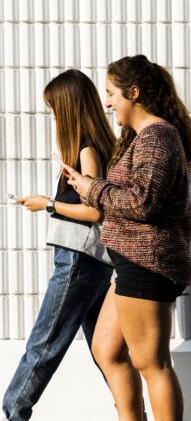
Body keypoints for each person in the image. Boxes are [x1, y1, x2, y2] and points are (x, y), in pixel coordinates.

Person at [63, 55, 191, 421]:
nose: (107, 102)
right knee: (106, 350)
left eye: (111, 93)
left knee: (152, 363)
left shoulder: (158, 137)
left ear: (134, 93)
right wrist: (86, 185)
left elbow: (142, 203)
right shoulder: (141, 137)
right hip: (130, 262)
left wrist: (91, 188)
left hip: (149, 263)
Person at [3, 69, 116, 421]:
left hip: (78, 262)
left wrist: (47, 204)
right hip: (93, 262)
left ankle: (13, 412)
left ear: (68, 110)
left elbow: (95, 211)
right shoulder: (94, 146)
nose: (53, 118)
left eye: (55, 110)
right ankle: (133, 413)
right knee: (107, 351)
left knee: (44, 344)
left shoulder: (86, 150)